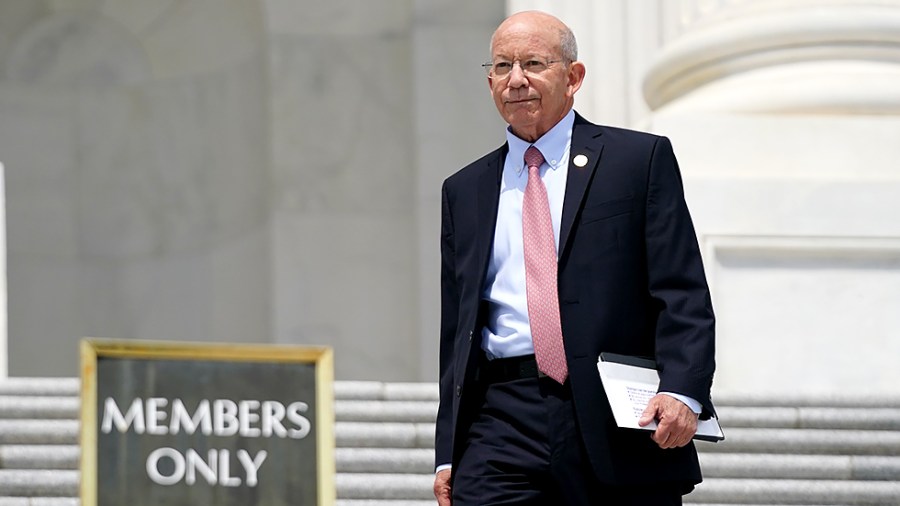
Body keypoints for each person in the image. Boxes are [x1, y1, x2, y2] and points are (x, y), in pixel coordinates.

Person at [433, 10, 716, 506]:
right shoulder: (465, 189)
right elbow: (456, 328)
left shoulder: (637, 161)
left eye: (533, 63)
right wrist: (448, 450)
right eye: (502, 66)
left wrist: (683, 389)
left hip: (613, 411)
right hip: (502, 418)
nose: (515, 79)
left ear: (574, 76)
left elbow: (681, 288)